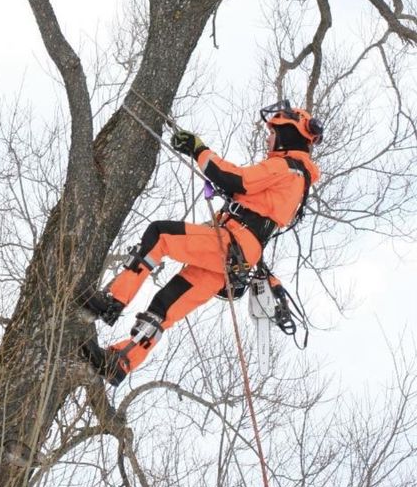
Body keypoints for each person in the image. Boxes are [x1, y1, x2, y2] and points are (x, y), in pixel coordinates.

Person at [76, 101, 322, 385]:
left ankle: (111, 301)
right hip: (237, 256)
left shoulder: (283, 167)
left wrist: (198, 148)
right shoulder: (297, 177)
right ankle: (120, 361)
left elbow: (233, 178)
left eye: (273, 132)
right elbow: (256, 203)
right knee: (165, 305)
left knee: (160, 235)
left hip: (232, 242)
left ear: (287, 134)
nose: (268, 138)